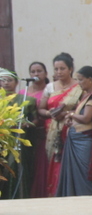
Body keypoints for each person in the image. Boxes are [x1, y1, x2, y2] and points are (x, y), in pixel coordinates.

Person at [56, 66, 92, 196]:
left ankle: (88, 199)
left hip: (84, 142)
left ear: (90, 79)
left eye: (81, 79)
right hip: (78, 140)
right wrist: (72, 120)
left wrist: (70, 114)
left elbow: (86, 118)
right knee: (78, 174)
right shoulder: (87, 96)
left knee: (84, 175)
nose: (78, 83)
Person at [38, 52, 81, 196]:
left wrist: (67, 114)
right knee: (52, 161)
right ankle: (53, 192)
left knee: (67, 161)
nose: (59, 72)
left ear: (70, 69)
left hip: (70, 129)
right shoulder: (50, 87)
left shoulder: (79, 87)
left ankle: (67, 191)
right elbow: (41, 109)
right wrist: (49, 113)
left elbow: (82, 109)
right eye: (56, 69)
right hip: (51, 130)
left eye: (62, 68)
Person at [0, 70, 36, 199]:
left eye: (9, 80)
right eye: (3, 80)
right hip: (1, 141)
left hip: (19, 140)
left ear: (16, 82)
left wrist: (27, 124)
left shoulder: (27, 100)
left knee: (15, 167)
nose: (6, 83)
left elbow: (35, 120)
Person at [20, 62, 50, 198]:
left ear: (46, 73)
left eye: (39, 71)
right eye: (33, 71)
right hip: (25, 135)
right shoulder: (23, 92)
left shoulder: (49, 90)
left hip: (43, 133)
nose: (36, 74)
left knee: (41, 165)